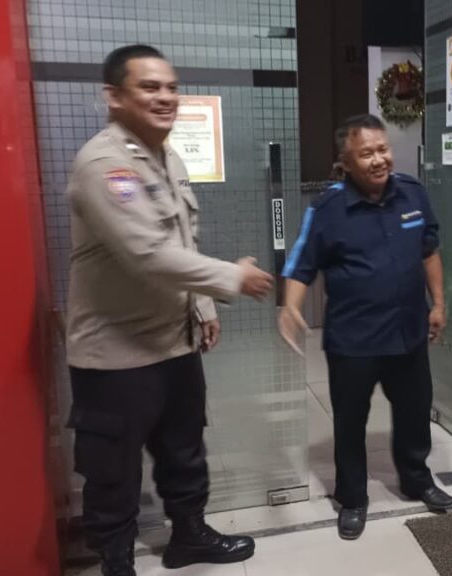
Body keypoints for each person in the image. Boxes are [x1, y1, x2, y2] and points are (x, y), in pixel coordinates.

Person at [65, 44, 273, 576]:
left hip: (173, 342)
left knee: (184, 450)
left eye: (172, 87)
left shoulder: (168, 157)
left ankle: (189, 537)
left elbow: (183, 240)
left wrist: (202, 307)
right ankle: (116, 561)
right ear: (114, 96)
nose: (165, 97)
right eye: (149, 87)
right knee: (113, 468)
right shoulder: (104, 165)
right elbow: (147, 253)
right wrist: (231, 278)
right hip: (116, 354)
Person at [278, 114, 452, 540]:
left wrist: (439, 303)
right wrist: (289, 307)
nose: (379, 160)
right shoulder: (327, 209)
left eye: (383, 149)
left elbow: (429, 250)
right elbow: (301, 263)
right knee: (350, 421)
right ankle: (353, 497)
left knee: (415, 413)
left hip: (408, 332)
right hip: (353, 340)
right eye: (366, 154)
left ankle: (417, 479)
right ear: (345, 162)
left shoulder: (412, 192)